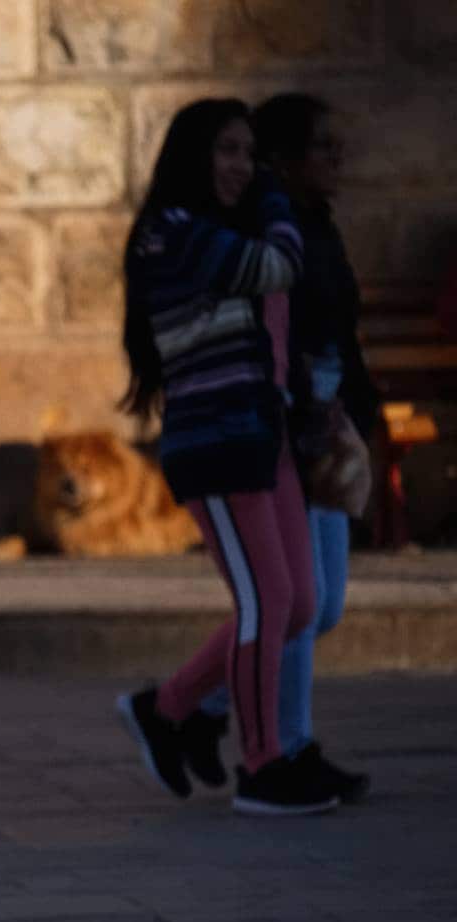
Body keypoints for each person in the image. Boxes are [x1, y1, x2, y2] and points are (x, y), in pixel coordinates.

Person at [115, 100, 336, 818]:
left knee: (299, 603)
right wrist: (277, 190)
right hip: (215, 441)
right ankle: (263, 762)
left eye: (250, 153)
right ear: (193, 157)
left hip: (262, 437)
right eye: (229, 151)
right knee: (265, 601)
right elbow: (279, 265)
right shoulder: (170, 233)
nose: (241, 167)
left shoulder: (211, 230)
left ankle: (170, 705)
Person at [182, 94, 373, 806]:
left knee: (312, 606)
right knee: (291, 599)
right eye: (323, 148)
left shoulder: (314, 228)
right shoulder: (264, 235)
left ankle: (198, 707)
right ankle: (277, 747)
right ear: (285, 161)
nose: (337, 161)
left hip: (323, 428)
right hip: (281, 432)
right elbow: (275, 332)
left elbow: (335, 335)